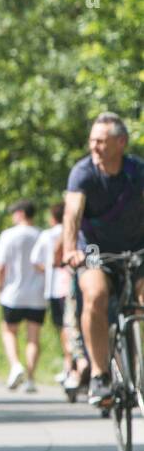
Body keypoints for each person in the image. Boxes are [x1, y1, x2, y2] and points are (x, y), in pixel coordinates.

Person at [62, 113, 144, 407]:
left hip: (137, 249)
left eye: (101, 141)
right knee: (94, 295)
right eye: (92, 141)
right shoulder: (83, 172)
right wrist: (70, 250)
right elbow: (72, 213)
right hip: (94, 251)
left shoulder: (137, 171)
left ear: (121, 142)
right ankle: (100, 375)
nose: (95, 146)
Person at [0, 199, 45, 392]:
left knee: (8, 330)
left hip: (12, 292)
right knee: (33, 336)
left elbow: (0, 266)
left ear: (21, 213)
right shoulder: (41, 235)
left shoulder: (8, 235)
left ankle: (15, 365)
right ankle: (30, 378)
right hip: (37, 293)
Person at [31, 202, 74, 385]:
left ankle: (69, 365)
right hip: (75, 283)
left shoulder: (47, 235)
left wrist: (48, 269)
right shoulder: (77, 229)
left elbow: (35, 260)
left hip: (56, 288)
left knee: (64, 328)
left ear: (52, 217)